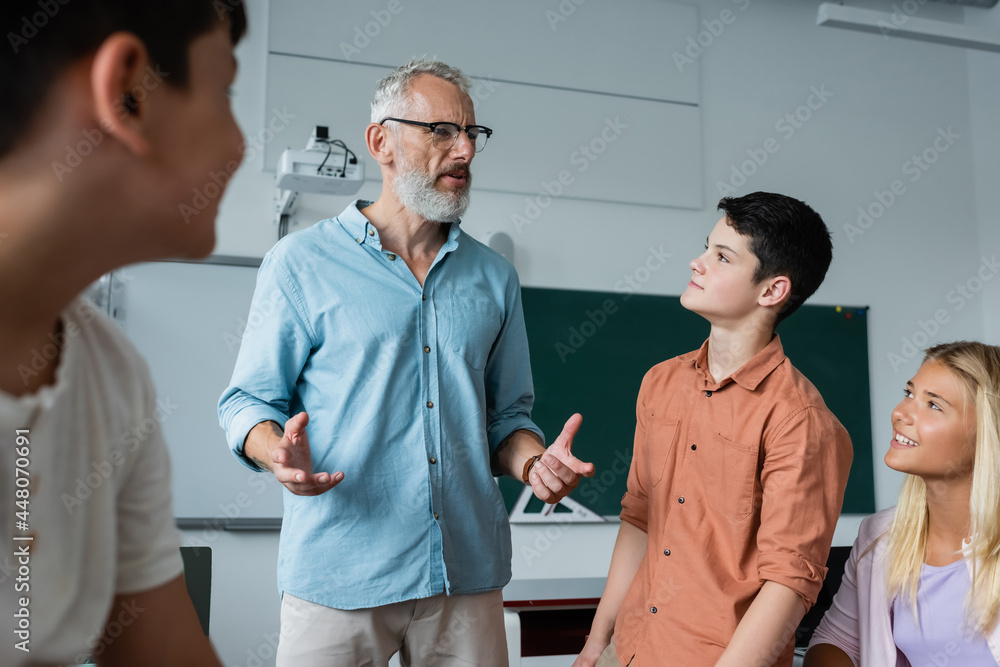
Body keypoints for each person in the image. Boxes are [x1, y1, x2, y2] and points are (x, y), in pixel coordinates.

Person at [218, 58, 595, 667]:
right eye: (441, 131)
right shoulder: (300, 264)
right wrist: (274, 452)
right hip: (339, 573)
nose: (464, 150)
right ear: (381, 142)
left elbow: (507, 419)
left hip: (465, 575)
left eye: (472, 133)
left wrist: (533, 464)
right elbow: (247, 402)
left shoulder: (494, 278)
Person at [0, 1, 247, 665]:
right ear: (129, 93)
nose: (239, 146)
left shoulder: (109, 373)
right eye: (224, 92)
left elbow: (161, 648)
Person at [574, 192, 854, 667]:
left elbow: (788, 583)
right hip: (627, 649)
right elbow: (639, 520)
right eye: (707, 247)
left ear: (772, 291)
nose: (697, 262)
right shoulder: (660, 382)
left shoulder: (802, 421)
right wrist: (596, 645)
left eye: (722, 256)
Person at [805, 341, 1000, 666]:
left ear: (987, 432)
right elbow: (837, 641)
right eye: (909, 393)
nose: (900, 412)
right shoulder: (879, 537)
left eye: (933, 405)